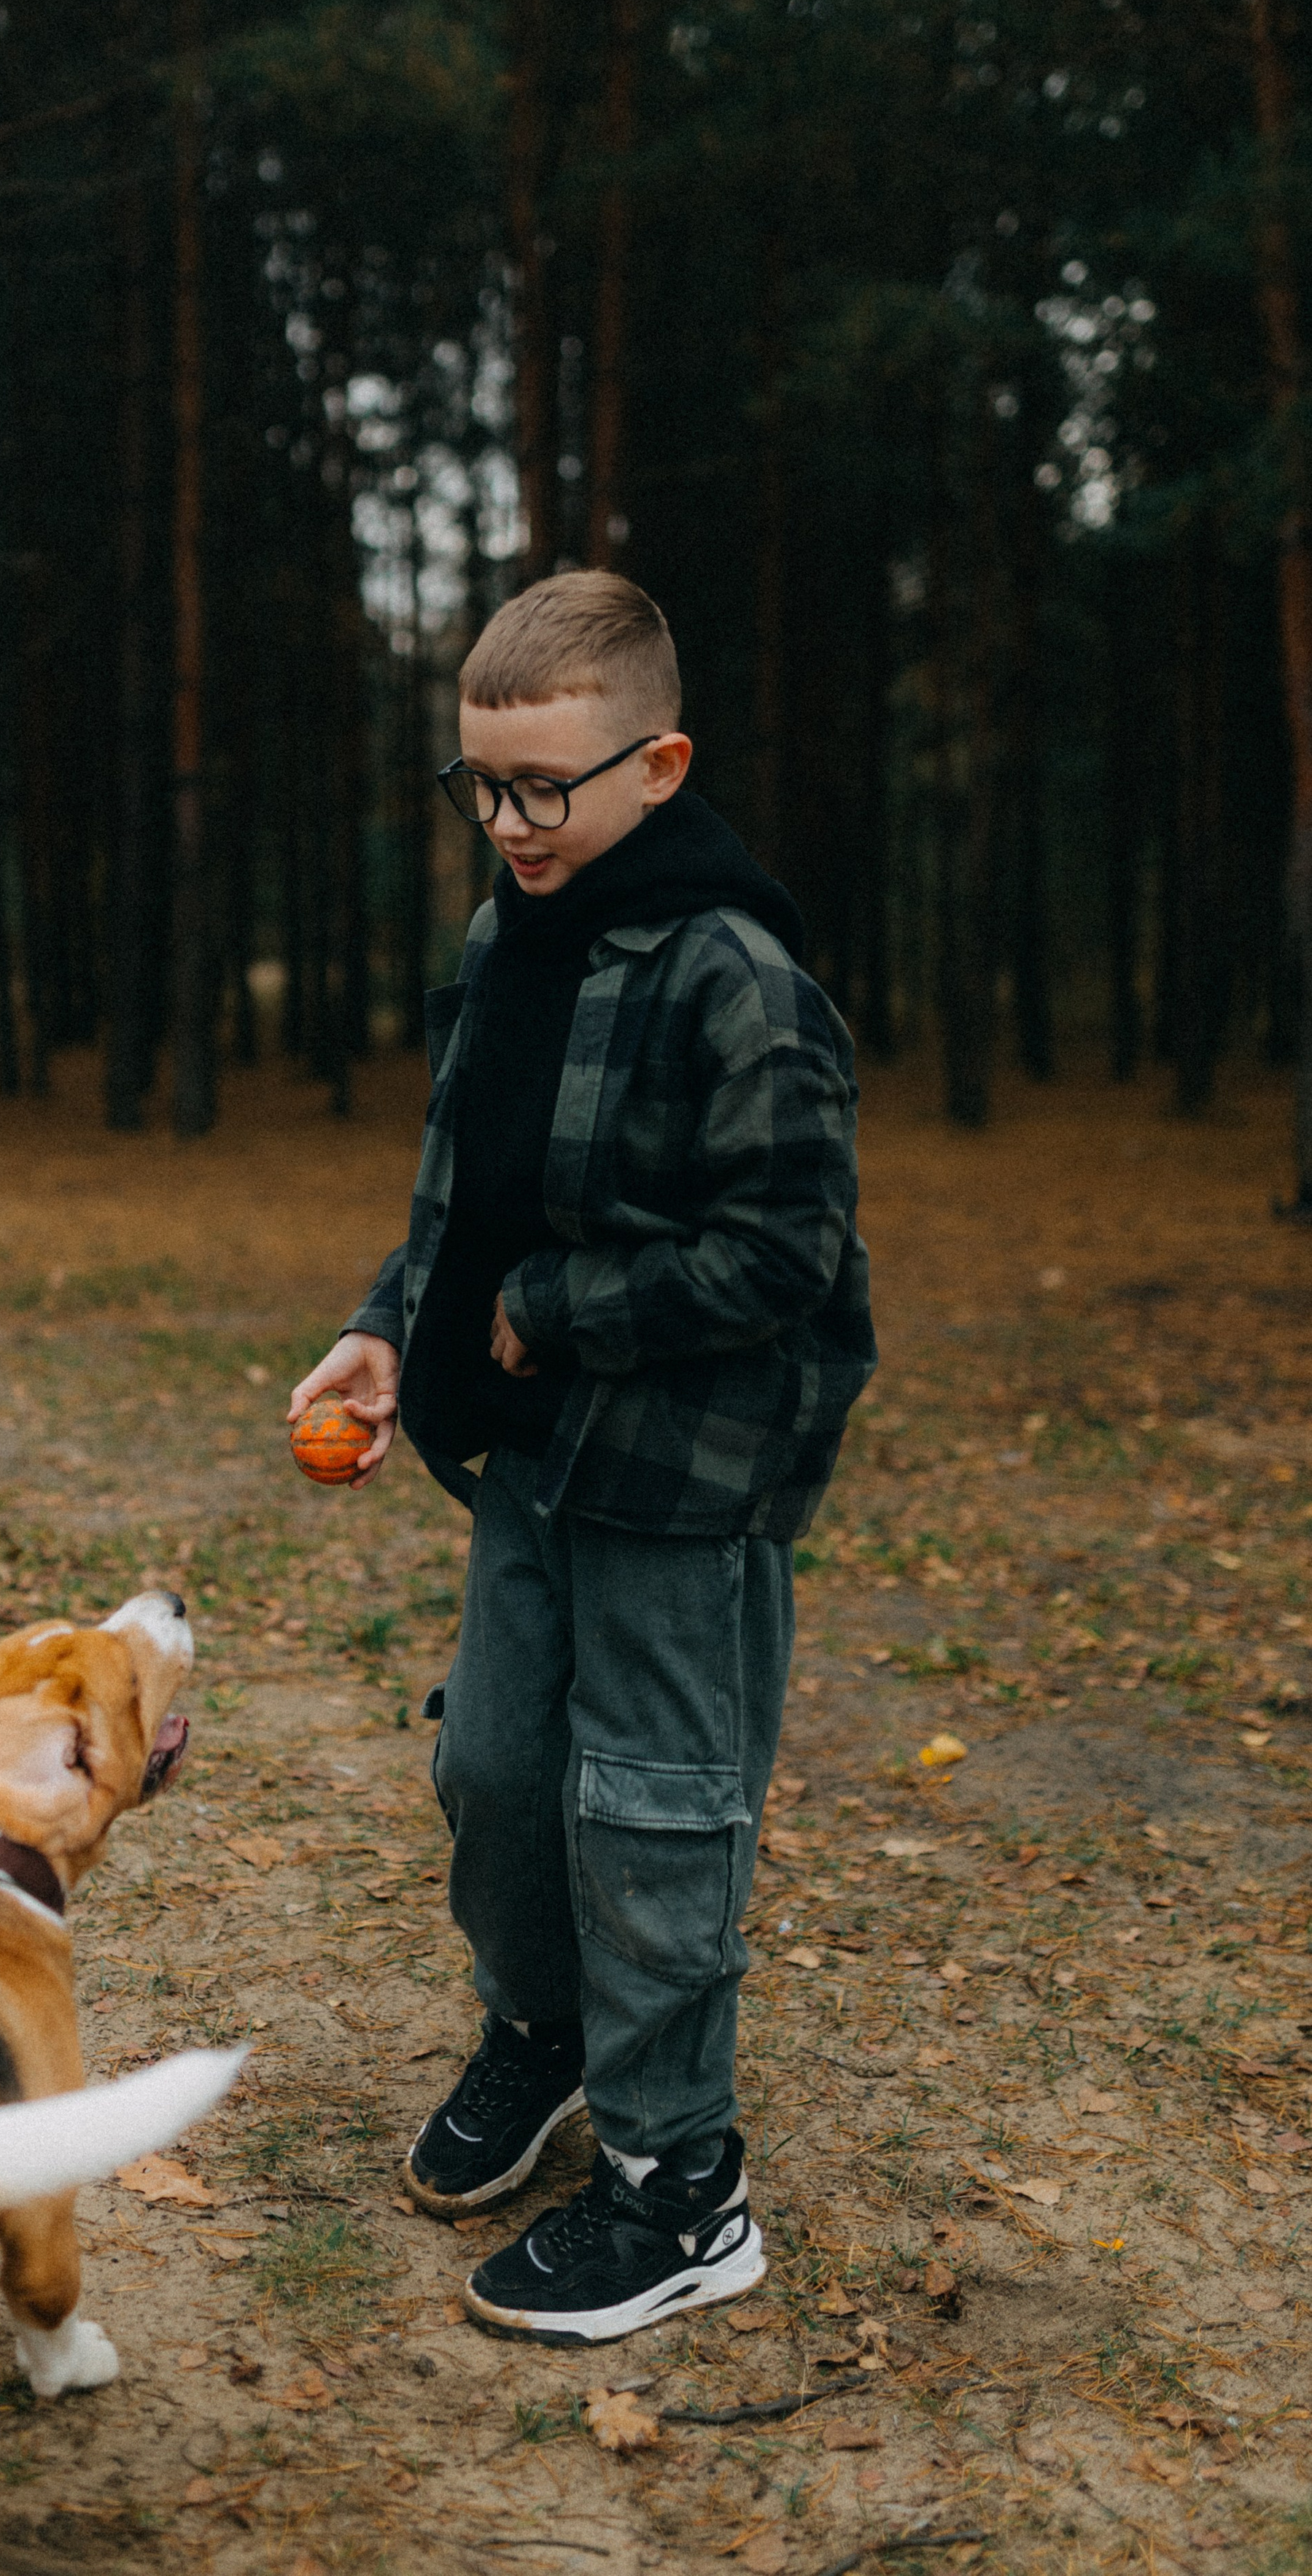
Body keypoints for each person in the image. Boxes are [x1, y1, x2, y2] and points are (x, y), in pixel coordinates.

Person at [288, 569, 875, 2345]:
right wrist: (394, 1322)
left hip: (680, 1479)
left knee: (650, 1812)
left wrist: (557, 1312)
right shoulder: (506, 938)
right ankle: (540, 2038)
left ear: (660, 765)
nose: (510, 823)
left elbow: (786, 1260)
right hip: (524, 1463)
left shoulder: (738, 979)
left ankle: (680, 2186)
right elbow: (460, 1196)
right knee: (490, 1768)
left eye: (546, 788)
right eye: (482, 784)